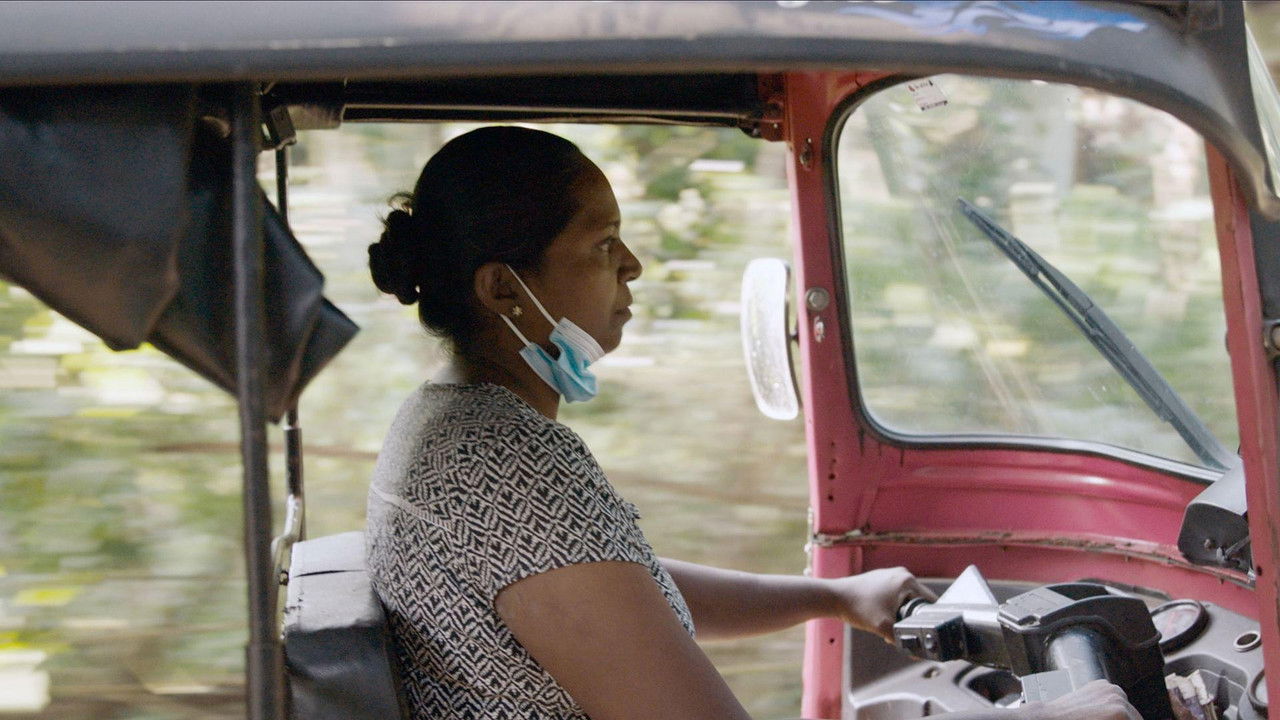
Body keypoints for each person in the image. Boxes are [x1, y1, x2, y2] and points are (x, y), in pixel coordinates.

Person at [364, 126, 1141, 720]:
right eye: (602, 244)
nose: (632, 264)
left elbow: (623, 593)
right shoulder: (507, 464)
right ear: (505, 289)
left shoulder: (454, 423)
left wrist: (830, 597)